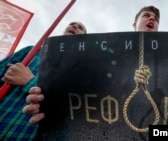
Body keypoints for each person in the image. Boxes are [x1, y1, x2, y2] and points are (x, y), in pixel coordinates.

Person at [22, 5, 160, 124]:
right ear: (135, 24)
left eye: (155, 18)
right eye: (146, 15)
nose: (152, 18)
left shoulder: (166, 61)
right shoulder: (106, 60)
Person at [0, 21, 87, 140]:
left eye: (80, 27)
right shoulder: (32, 51)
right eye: (72, 24)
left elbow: (75, 107)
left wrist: (29, 82)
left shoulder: (82, 70)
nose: (75, 26)